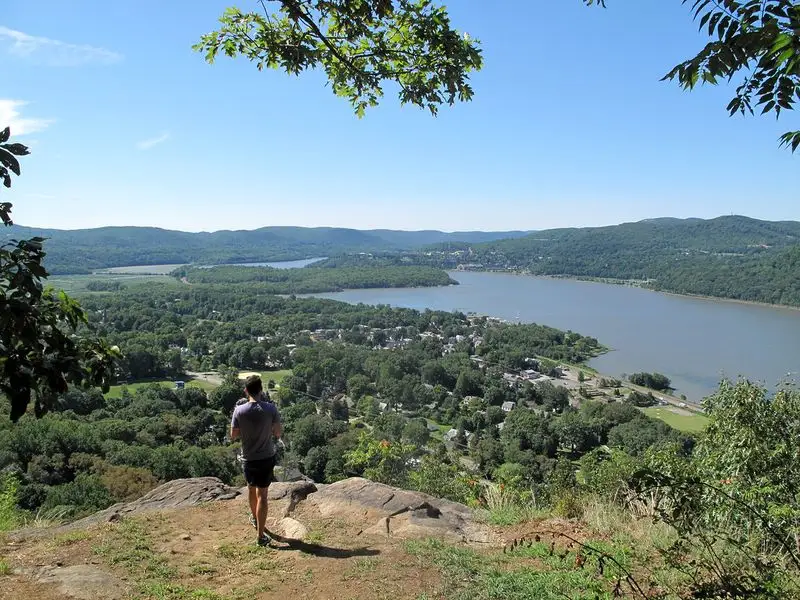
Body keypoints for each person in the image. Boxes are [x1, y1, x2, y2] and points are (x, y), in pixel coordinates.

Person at [230, 375, 282, 547]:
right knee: (263, 496)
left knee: (251, 490)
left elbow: (233, 435)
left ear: (246, 391)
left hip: (249, 458)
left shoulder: (239, 411)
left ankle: (254, 518)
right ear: (261, 390)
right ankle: (260, 536)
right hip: (266, 457)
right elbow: (277, 433)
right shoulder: (270, 409)